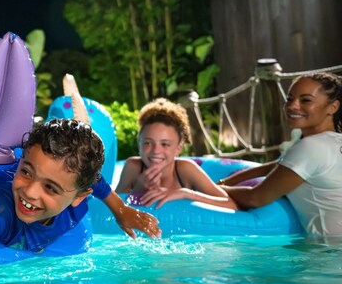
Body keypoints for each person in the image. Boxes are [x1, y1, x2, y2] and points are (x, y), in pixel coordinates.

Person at [0, 119, 161, 283]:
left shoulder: (75, 199)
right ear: (21, 160)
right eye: (25, 171)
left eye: (50, 187)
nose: (31, 192)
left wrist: (121, 210)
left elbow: (95, 180)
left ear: (79, 197)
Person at [222, 73, 342, 235]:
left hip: (331, 255)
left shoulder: (312, 146)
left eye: (306, 100)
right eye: (289, 98)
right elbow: (278, 165)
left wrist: (219, 189)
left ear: (333, 107)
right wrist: (223, 182)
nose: (293, 106)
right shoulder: (333, 142)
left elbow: (256, 198)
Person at [114, 98, 236, 209]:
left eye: (165, 144)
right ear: (139, 143)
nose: (156, 150)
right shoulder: (133, 167)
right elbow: (109, 209)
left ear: (178, 148)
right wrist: (138, 188)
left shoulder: (185, 169)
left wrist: (186, 193)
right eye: (147, 143)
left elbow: (231, 204)